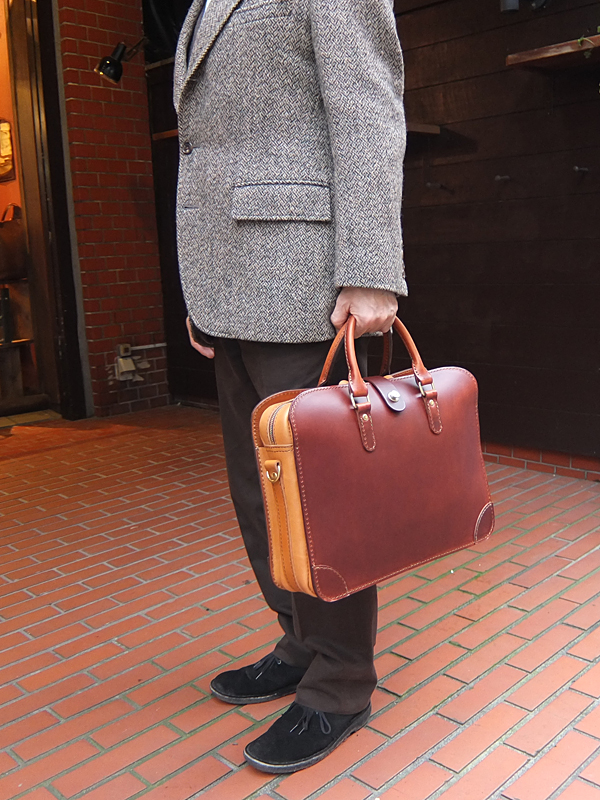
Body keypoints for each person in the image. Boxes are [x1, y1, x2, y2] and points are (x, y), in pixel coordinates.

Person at [174, 0, 407, 774]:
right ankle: (301, 643)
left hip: (303, 284)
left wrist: (371, 270)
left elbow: (369, 105)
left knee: (320, 502)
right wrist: (202, 287)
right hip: (232, 285)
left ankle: (341, 683)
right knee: (259, 496)